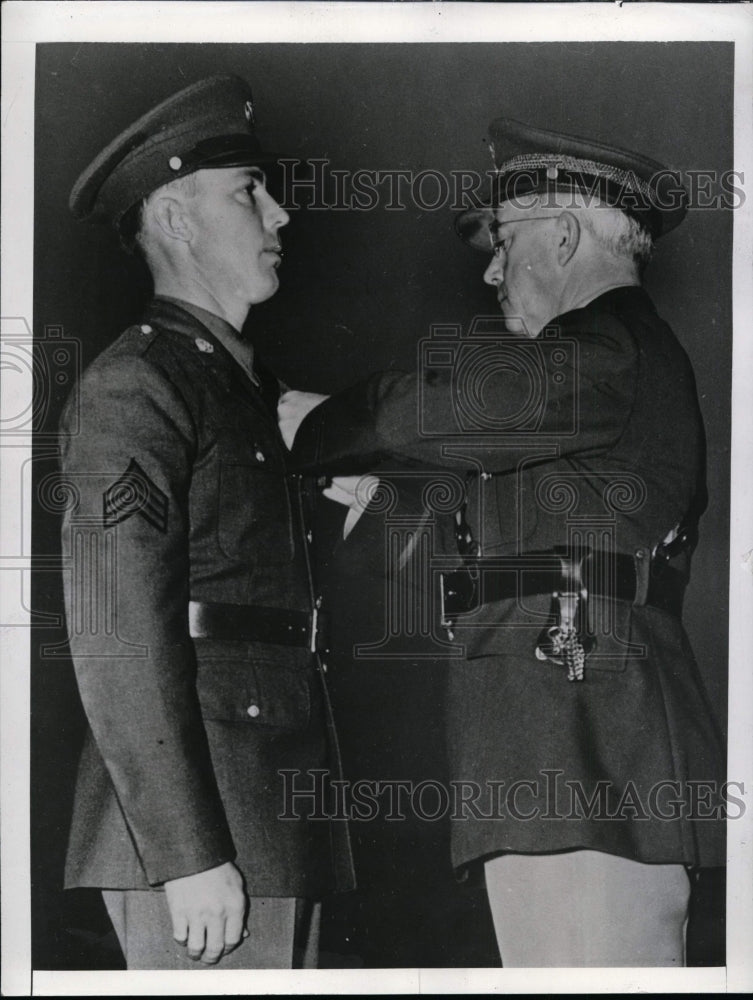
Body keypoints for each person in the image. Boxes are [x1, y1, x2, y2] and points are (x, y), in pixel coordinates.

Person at [278, 117, 726, 967]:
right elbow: (530, 527)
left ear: (561, 235)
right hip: (559, 741)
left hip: (588, 745)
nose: (489, 269)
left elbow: (449, 410)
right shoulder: (593, 368)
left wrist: (323, 423)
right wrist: (384, 495)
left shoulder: (607, 348)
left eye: (503, 241)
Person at [59, 74, 353, 970]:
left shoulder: (234, 386)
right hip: (201, 830)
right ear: (178, 220)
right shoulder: (135, 385)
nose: (280, 216)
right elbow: (117, 629)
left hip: (267, 805)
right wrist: (187, 854)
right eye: (247, 193)